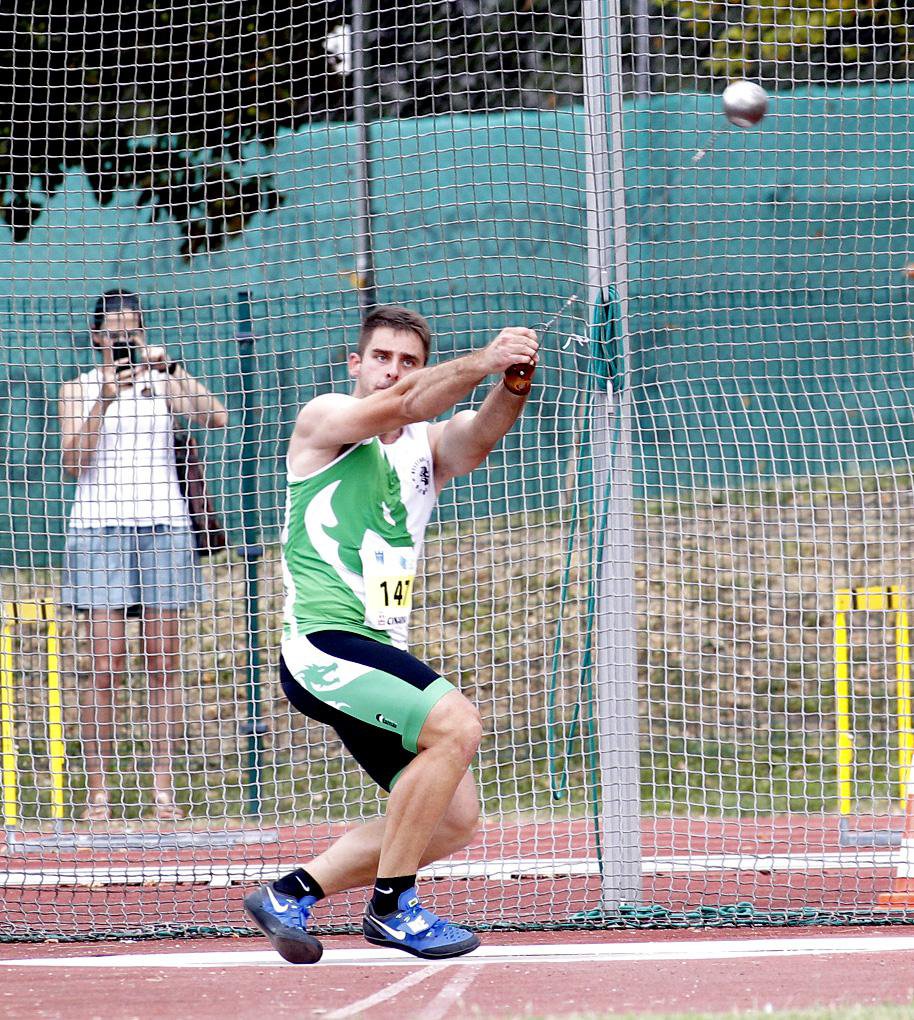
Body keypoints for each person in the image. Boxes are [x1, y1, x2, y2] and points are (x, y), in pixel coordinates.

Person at [244, 304, 538, 962]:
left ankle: (289, 893)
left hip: (377, 655)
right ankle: (393, 905)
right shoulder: (326, 421)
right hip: (324, 647)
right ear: (356, 363)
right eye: (381, 357)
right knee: (458, 726)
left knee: (455, 818)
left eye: (407, 361)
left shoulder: (423, 448)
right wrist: (480, 360)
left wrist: (511, 381)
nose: (392, 371)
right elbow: (399, 406)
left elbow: (479, 434)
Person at [58, 289, 228, 821]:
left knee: (163, 666)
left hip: (164, 527)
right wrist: (106, 397)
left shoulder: (162, 382)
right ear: (95, 338)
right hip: (99, 530)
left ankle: (163, 791)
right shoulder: (78, 389)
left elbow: (215, 417)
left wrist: (168, 366)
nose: (123, 342)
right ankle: (99, 792)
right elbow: (71, 460)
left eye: (132, 332)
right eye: (114, 334)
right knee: (103, 667)